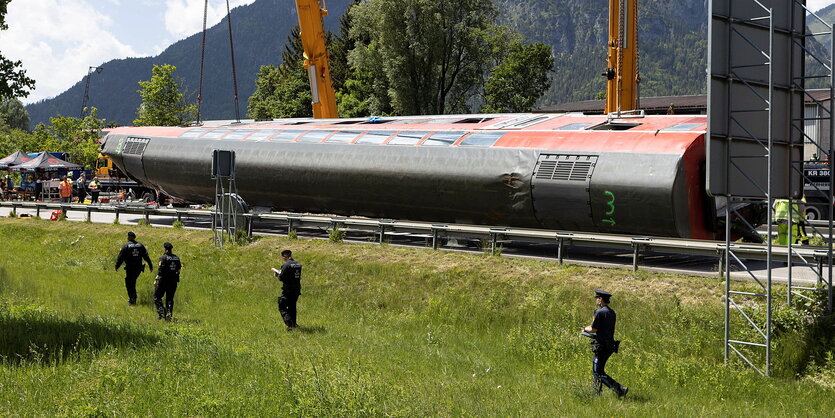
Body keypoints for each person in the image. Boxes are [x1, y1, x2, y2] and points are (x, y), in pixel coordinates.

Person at [583, 289, 627, 398]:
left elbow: (593, 329)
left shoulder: (599, 312)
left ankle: (619, 389)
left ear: (601, 299)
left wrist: (584, 328)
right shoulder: (612, 312)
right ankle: (596, 392)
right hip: (610, 345)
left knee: (598, 371)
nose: (596, 300)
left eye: (597, 298)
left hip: (601, 346)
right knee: (598, 370)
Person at [115, 231, 153, 305]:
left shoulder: (126, 246)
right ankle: (133, 298)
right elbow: (146, 257)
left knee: (129, 283)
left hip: (130, 268)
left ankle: (132, 299)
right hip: (138, 268)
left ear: (129, 237)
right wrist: (150, 265)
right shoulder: (140, 245)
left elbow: (121, 257)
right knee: (132, 281)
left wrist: (117, 265)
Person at [273, 249, 302, 330]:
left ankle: (289, 322)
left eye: (283, 257)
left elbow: (281, 277)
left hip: (288, 289)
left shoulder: (286, 265)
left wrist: (277, 274)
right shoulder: (298, 264)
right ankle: (294, 325)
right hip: (296, 289)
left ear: (285, 256)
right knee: (292, 306)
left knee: (281, 306)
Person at [153, 242, 182, 321]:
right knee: (170, 298)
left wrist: (156, 279)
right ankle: (169, 314)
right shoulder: (176, 258)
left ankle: (162, 312)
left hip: (164, 280)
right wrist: (176, 276)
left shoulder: (163, 258)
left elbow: (160, 269)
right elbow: (179, 269)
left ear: (165, 249)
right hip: (173, 280)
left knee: (157, 296)